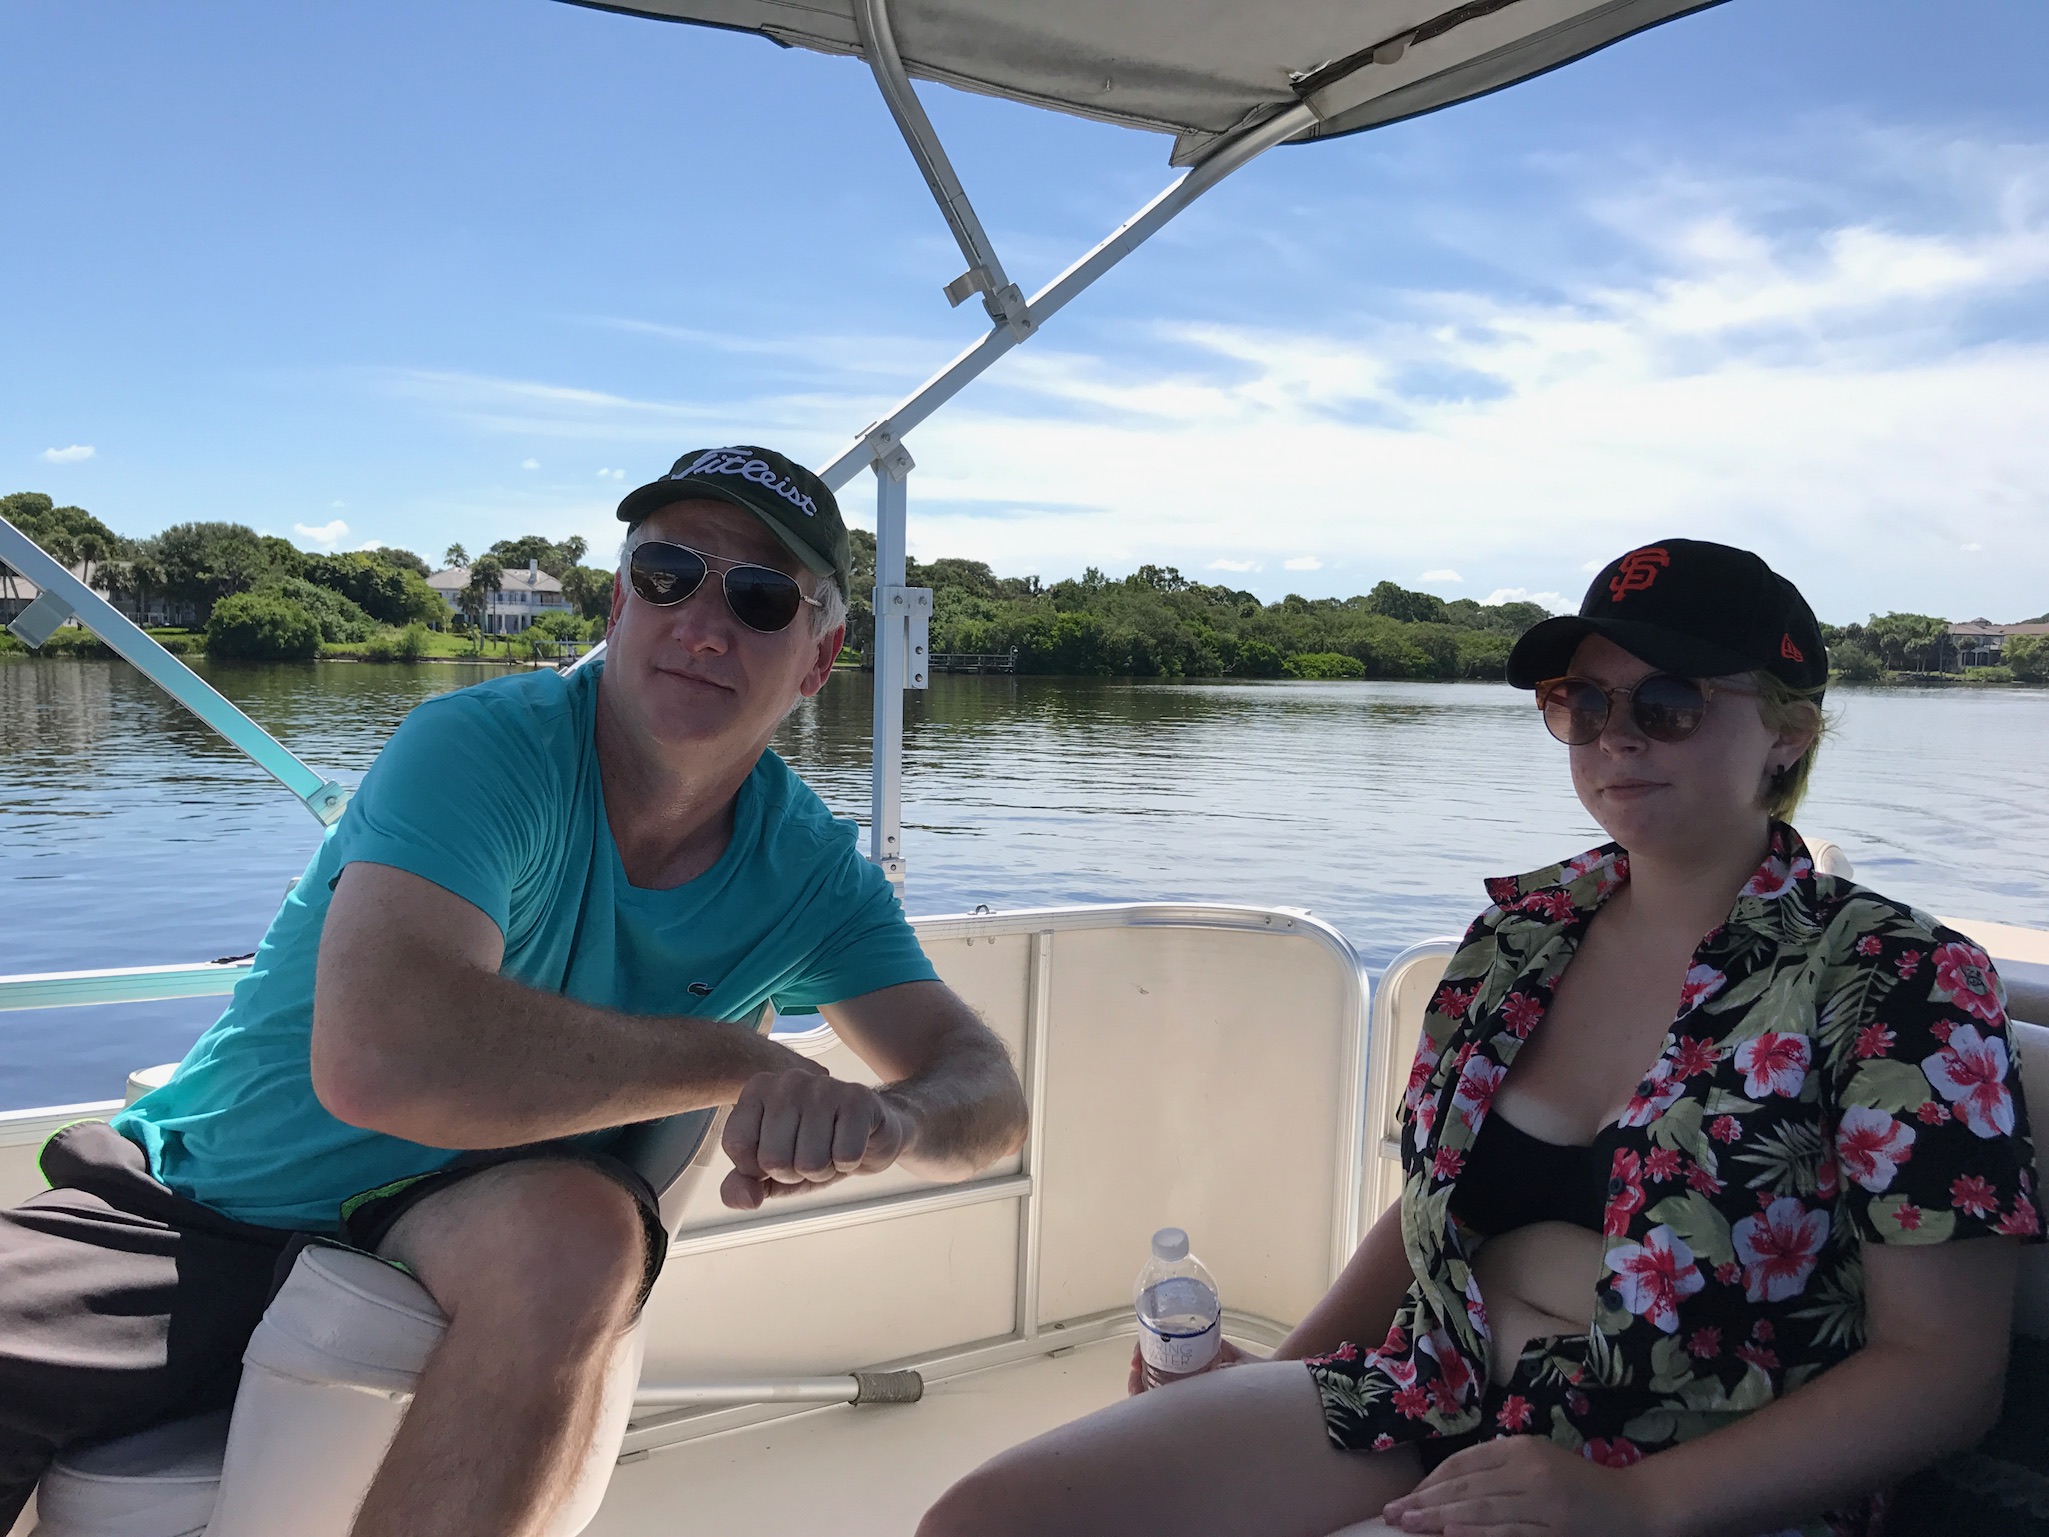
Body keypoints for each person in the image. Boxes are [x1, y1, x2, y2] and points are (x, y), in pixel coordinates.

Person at [0, 444, 1029, 1537]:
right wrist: (739, 1061)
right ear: (618, 604)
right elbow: (380, 1060)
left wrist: (888, 1121)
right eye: (668, 574)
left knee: (577, 1232)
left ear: (820, 658)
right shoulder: (486, 751)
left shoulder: (808, 872)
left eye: (762, 597)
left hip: (449, 1232)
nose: (702, 624)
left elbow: (989, 1098)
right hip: (199, 1212)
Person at [919, 538, 2039, 1537]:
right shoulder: (1518, 936)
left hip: (1695, 1463)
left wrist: (1636, 1504)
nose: (1615, 735)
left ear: (1788, 732)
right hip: (1429, 1385)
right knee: (990, 1519)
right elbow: (1429, 1212)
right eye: (1582, 701)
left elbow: (1939, 1373)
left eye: (1668, 702)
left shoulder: (1898, 978)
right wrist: (1276, 1373)